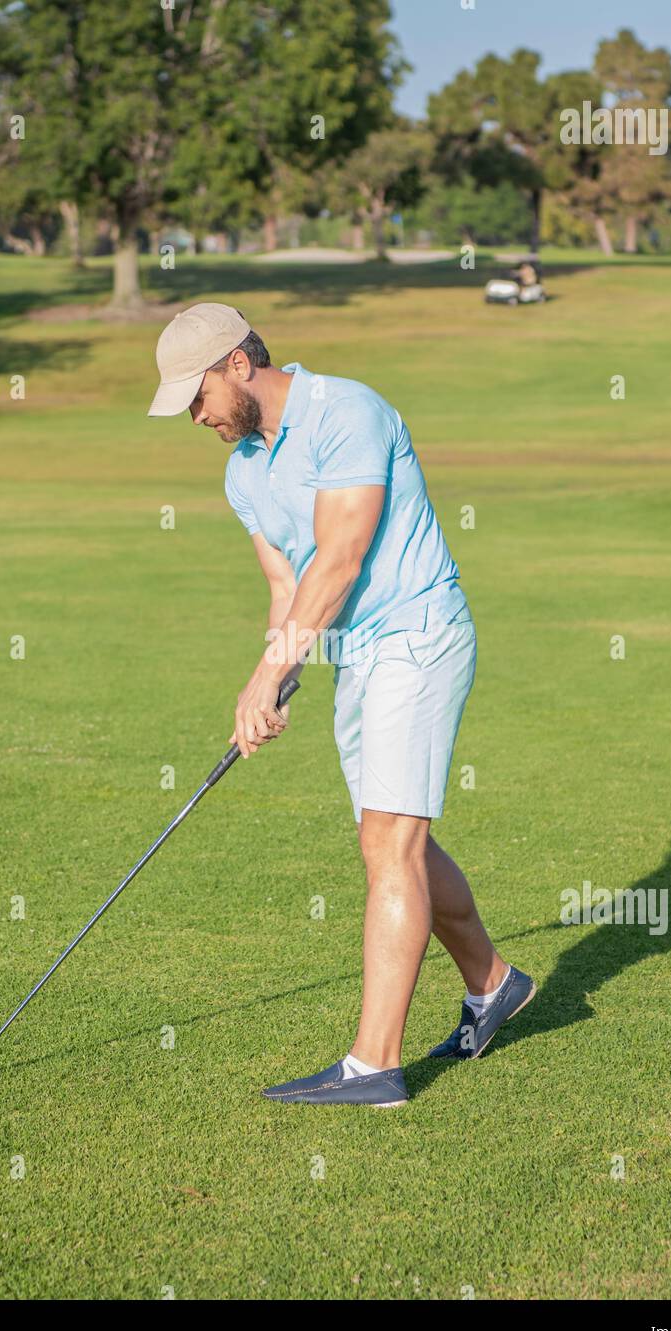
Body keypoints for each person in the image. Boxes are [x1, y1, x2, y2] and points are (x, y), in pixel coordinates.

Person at [147, 302, 536, 1106]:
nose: (195, 415)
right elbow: (289, 585)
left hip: (418, 634)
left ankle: (373, 1067)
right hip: (359, 656)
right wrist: (276, 684)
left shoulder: (348, 412)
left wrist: (265, 674)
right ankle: (493, 984)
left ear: (238, 365)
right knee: (397, 839)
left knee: (388, 843)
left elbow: (342, 555)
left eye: (197, 395)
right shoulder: (243, 471)